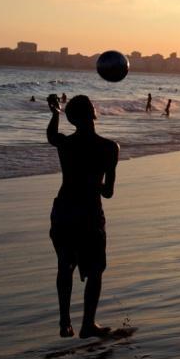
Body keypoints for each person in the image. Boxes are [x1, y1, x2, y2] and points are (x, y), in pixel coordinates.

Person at [46, 94, 119, 339]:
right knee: (95, 270)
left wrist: (55, 113)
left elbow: (51, 137)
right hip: (89, 213)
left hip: (65, 210)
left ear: (72, 119)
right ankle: (88, 324)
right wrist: (92, 181)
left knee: (65, 265)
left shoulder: (66, 145)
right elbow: (108, 192)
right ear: (94, 113)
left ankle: (65, 321)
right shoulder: (110, 147)